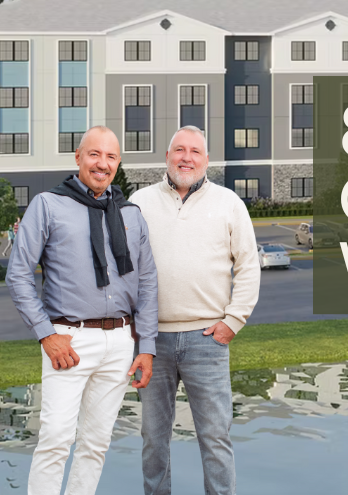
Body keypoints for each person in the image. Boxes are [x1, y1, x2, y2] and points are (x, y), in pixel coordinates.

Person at [5, 126, 158, 495]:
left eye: (110, 157)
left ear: (118, 163)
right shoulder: (48, 204)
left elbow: (149, 281)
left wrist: (147, 347)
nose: (102, 164)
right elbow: (18, 275)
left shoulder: (131, 214)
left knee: (96, 444)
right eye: (94, 154)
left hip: (121, 341)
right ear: (78, 157)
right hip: (67, 341)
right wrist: (47, 334)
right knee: (56, 439)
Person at [131, 126, 260, 495]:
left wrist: (232, 322)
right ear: (167, 157)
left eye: (195, 152)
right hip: (153, 342)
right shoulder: (140, 202)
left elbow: (248, 266)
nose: (186, 157)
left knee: (215, 437)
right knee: (154, 439)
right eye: (179, 150)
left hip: (208, 340)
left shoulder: (229, 203)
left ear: (207, 161)